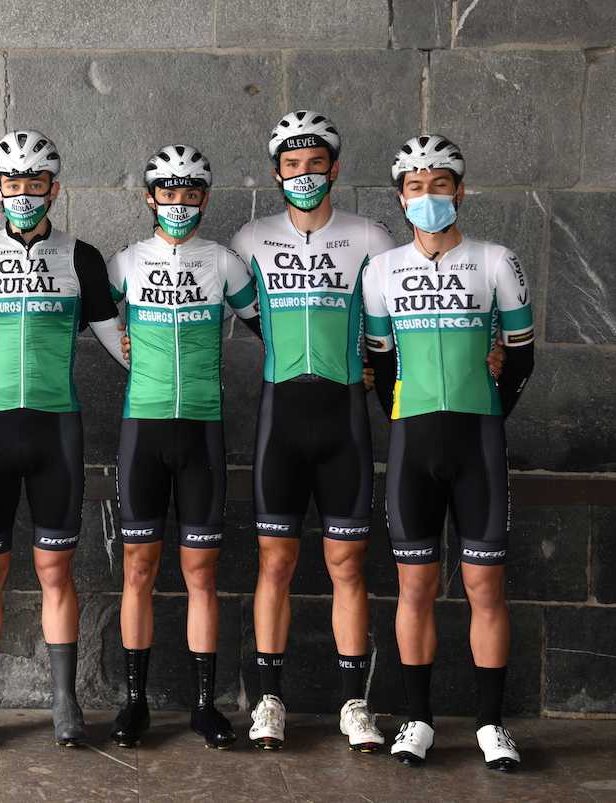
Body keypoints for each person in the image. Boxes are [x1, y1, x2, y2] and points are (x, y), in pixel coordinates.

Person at [0, 130, 128, 748]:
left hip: (55, 429)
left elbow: (121, 342)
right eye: (12, 182)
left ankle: (65, 701)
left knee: (54, 570)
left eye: (34, 182)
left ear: (53, 188)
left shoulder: (81, 258)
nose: (23, 193)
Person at [363, 135, 534, 771]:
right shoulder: (380, 270)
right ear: (400, 197)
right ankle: (418, 721)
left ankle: (491, 725)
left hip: (478, 442)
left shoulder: (496, 260)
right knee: (416, 585)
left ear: (459, 191)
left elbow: (522, 357)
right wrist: (409, 417)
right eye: (415, 186)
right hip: (412, 443)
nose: (428, 196)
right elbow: (380, 365)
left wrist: (486, 411)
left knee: (486, 585)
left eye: (439, 184)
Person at [230, 111, 396, 751]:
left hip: (344, 416)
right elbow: (229, 309)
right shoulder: (250, 239)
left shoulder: (370, 237)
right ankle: (268, 700)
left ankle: (355, 704)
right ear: (277, 173)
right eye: (292, 165)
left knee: (346, 562)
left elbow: (395, 319)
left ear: (334, 168)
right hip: (281, 415)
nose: (304, 174)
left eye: (315, 163)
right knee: (275, 560)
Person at [106, 145, 259, 749]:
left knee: (201, 571)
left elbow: (271, 325)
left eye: (190, 194)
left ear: (204, 198)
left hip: (202, 430)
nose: (179, 203)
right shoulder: (126, 262)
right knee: (138, 569)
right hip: (142, 429)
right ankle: (134, 703)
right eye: (168, 193)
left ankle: (204, 705)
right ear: (150, 197)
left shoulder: (224, 262)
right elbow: (80, 318)